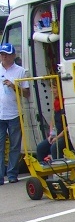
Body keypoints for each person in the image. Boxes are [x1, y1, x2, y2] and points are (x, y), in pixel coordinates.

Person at [0, 43, 29, 185]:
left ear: (13, 55)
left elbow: (27, 93)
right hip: (0, 113)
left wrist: (13, 86)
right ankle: (0, 176)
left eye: (6, 54)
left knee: (15, 146)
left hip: (14, 113)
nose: (4, 57)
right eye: (2, 54)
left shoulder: (20, 71)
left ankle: (12, 174)